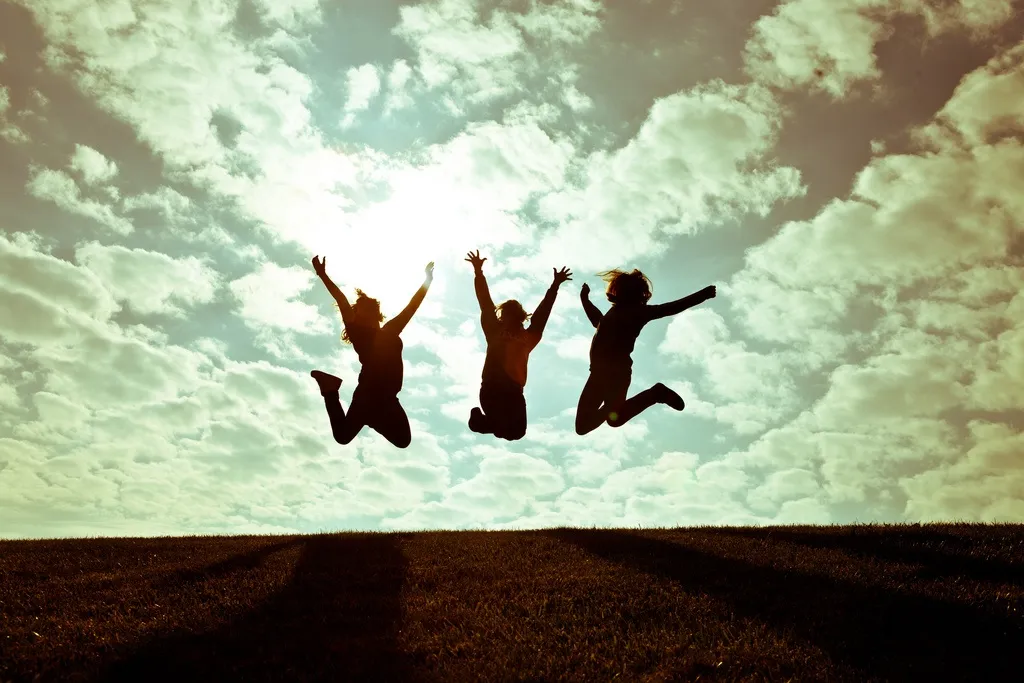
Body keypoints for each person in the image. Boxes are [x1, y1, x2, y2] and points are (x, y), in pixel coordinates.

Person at [309, 255, 433, 449]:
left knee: (403, 440)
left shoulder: (390, 330)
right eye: (357, 311)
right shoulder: (357, 331)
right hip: (368, 394)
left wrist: (427, 281)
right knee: (342, 436)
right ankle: (330, 390)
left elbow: (411, 307)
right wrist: (322, 275)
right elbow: (341, 299)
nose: (358, 313)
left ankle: (370, 417)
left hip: (388, 398)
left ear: (375, 313)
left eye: (364, 310)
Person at [575, 268, 716, 435]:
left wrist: (703, 295)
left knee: (611, 419)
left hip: (616, 374)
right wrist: (585, 300)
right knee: (598, 422)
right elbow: (597, 321)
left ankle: (655, 394)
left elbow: (670, 308)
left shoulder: (638, 312)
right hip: (598, 374)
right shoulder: (612, 314)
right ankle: (654, 394)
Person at [465, 250, 572, 440]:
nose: (506, 318)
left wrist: (555, 285)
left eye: (511, 314)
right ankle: (479, 422)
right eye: (504, 314)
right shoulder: (494, 330)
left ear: (519, 317)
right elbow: (485, 302)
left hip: (515, 391)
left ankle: (482, 421)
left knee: (517, 433)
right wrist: (478, 272)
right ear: (502, 316)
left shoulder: (528, 336)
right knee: (507, 429)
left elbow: (542, 314)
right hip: (493, 388)